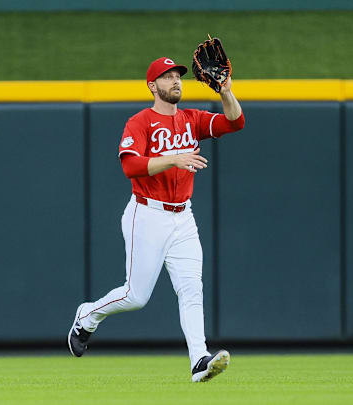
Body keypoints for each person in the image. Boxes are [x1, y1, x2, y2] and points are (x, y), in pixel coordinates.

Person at [68, 57, 245, 383]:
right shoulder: (140, 122)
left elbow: (234, 123)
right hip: (146, 214)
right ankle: (87, 316)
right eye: (167, 77)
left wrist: (226, 92)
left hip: (183, 217)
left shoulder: (192, 119)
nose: (175, 80)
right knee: (136, 296)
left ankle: (199, 362)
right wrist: (174, 158)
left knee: (192, 289)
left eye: (177, 75)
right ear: (152, 85)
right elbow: (131, 167)